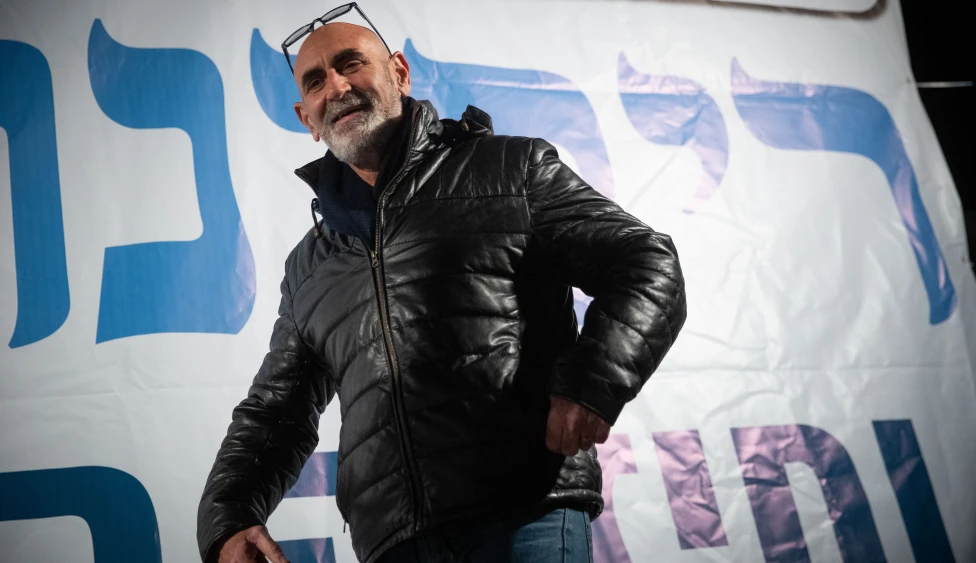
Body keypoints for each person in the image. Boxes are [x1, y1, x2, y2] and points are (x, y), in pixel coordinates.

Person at [196, 14, 686, 563]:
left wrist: (593, 381)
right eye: (315, 81)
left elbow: (646, 261)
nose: (336, 86)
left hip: (525, 515)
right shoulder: (310, 266)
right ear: (306, 118)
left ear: (399, 73)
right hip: (393, 543)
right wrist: (229, 517)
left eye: (350, 63)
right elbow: (274, 412)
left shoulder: (508, 170)